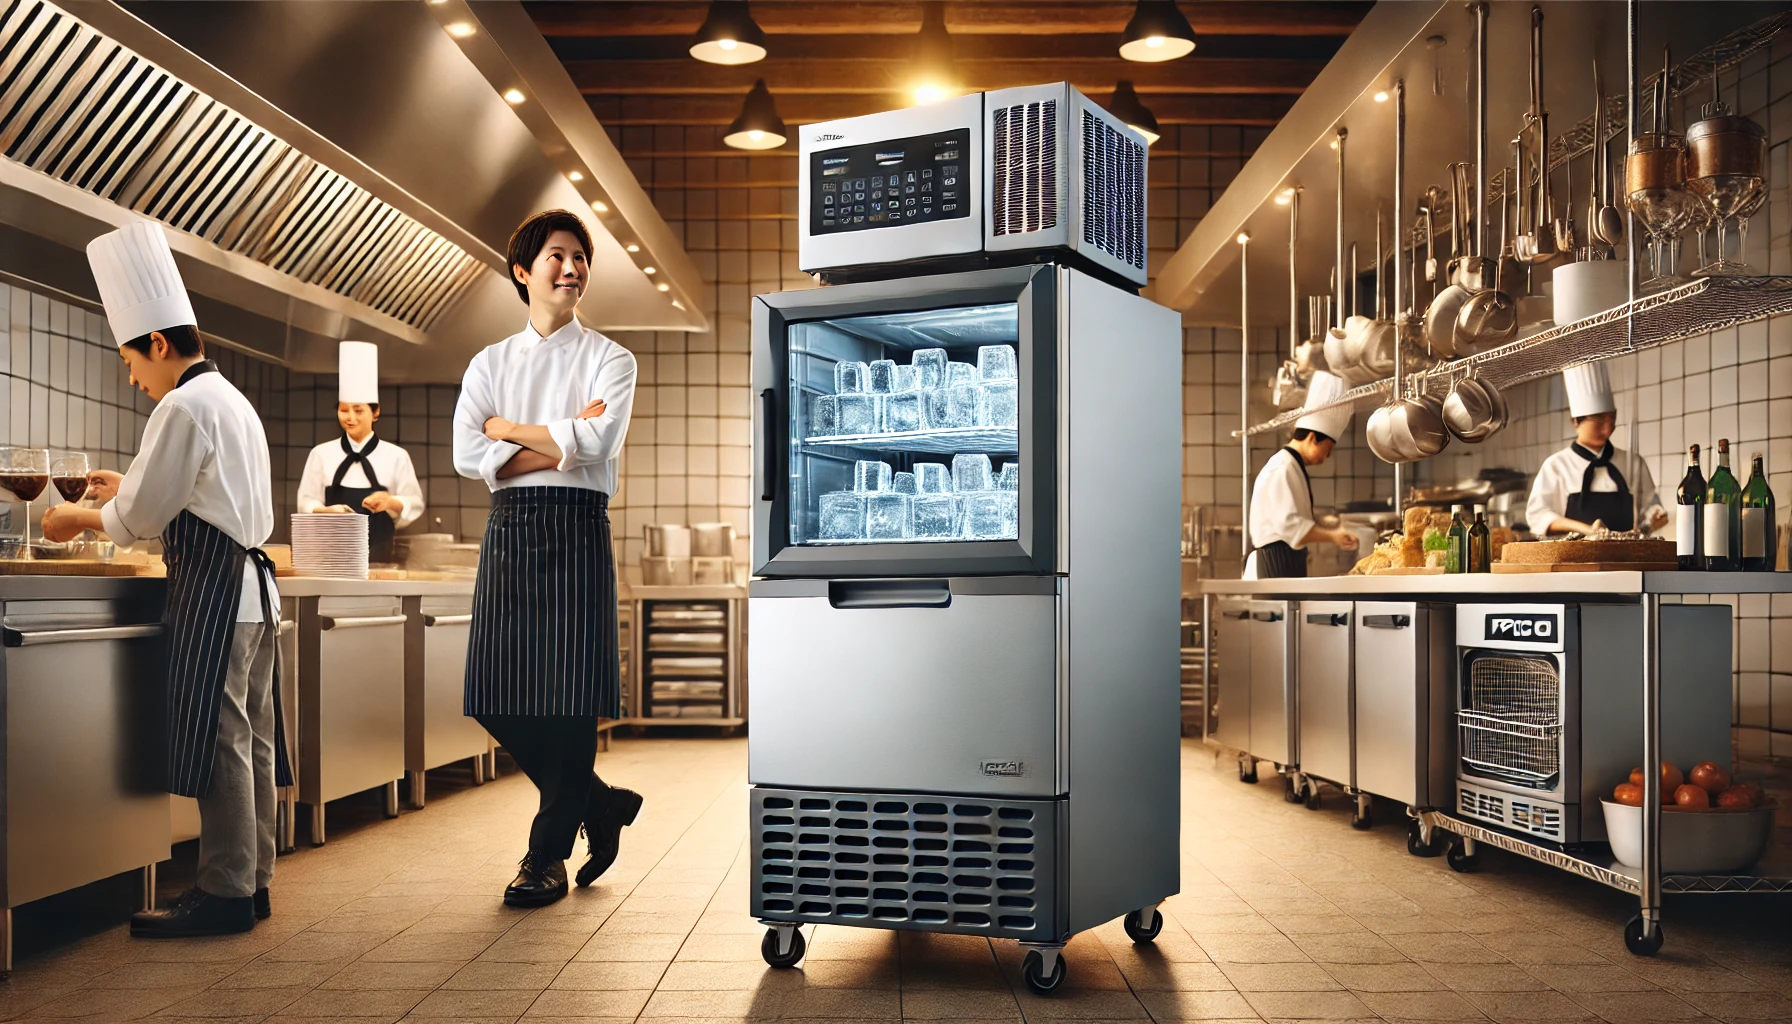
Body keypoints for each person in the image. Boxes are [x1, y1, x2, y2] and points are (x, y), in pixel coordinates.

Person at [43, 221, 288, 936]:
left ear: (157, 343)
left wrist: (76, 520)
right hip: (253, 597)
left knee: (225, 744)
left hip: (218, 594)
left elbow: (141, 517)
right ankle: (254, 880)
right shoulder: (230, 400)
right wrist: (129, 484)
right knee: (254, 741)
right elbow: (195, 492)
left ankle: (224, 894)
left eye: (129, 362)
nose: (132, 377)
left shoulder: (181, 404)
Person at [452, 209, 641, 907]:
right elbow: (468, 456)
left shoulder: (612, 358)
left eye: (581, 257)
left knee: (568, 703)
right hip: (511, 532)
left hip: (577, 526)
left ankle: (545, 857)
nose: (572, 268)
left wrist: (508, 436)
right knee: (492, 692)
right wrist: (558, 439)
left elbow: (599, 443)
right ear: (524, 272)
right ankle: (600, 802)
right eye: (558, 256)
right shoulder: (489, 361)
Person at [297, 341, 424, 563]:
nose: (350, 418)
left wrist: (389, 501)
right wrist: (326, 511)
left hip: (380, 562)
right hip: (329, 559)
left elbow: (414, 503)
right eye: (344, 410)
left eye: (358, 410)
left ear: (375, 412)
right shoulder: (321, 454)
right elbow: (305, 502)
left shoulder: (396, 456)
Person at [1526, 361, 1667, 535]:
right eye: (1599, 422)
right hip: (1574, 559)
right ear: (1576, 421)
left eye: (1612, 420)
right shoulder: (1557, 465)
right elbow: (1538, 516)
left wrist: (1654, 517)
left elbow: (1650, 507)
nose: (1608, 429)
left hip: (1625, 558)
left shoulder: (1632, 462)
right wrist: (1588, 531)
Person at [1244, 371, 1360, 579]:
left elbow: (1293, 517)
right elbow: (1290, 526)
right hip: (1274, 566)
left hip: (1284, 563)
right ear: (1313, 438)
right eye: (1328, 447)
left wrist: (1326, 522)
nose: (1328, 455)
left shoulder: (1292, 466)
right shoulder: (1282, 468)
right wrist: (1333, 537)